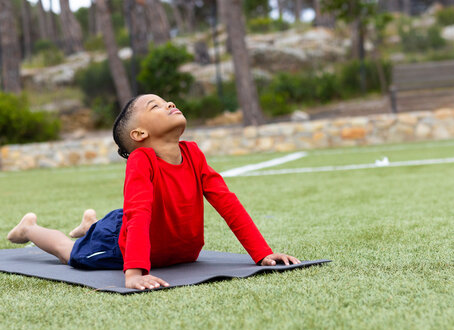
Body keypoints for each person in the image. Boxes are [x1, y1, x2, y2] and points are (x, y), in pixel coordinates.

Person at [7, 94, 300, 290]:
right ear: (139, 135)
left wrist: (262, 254)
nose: (169, 103)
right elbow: (138, 213)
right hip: (123, 242)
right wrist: (134, 271)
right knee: (69, 253)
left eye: (165, 100)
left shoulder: (194, 154)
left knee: (112, 223)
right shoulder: (141, 160)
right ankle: (30, 228)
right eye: (155, 106)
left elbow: (226, 201)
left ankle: (91, 225)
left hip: (162, 242)